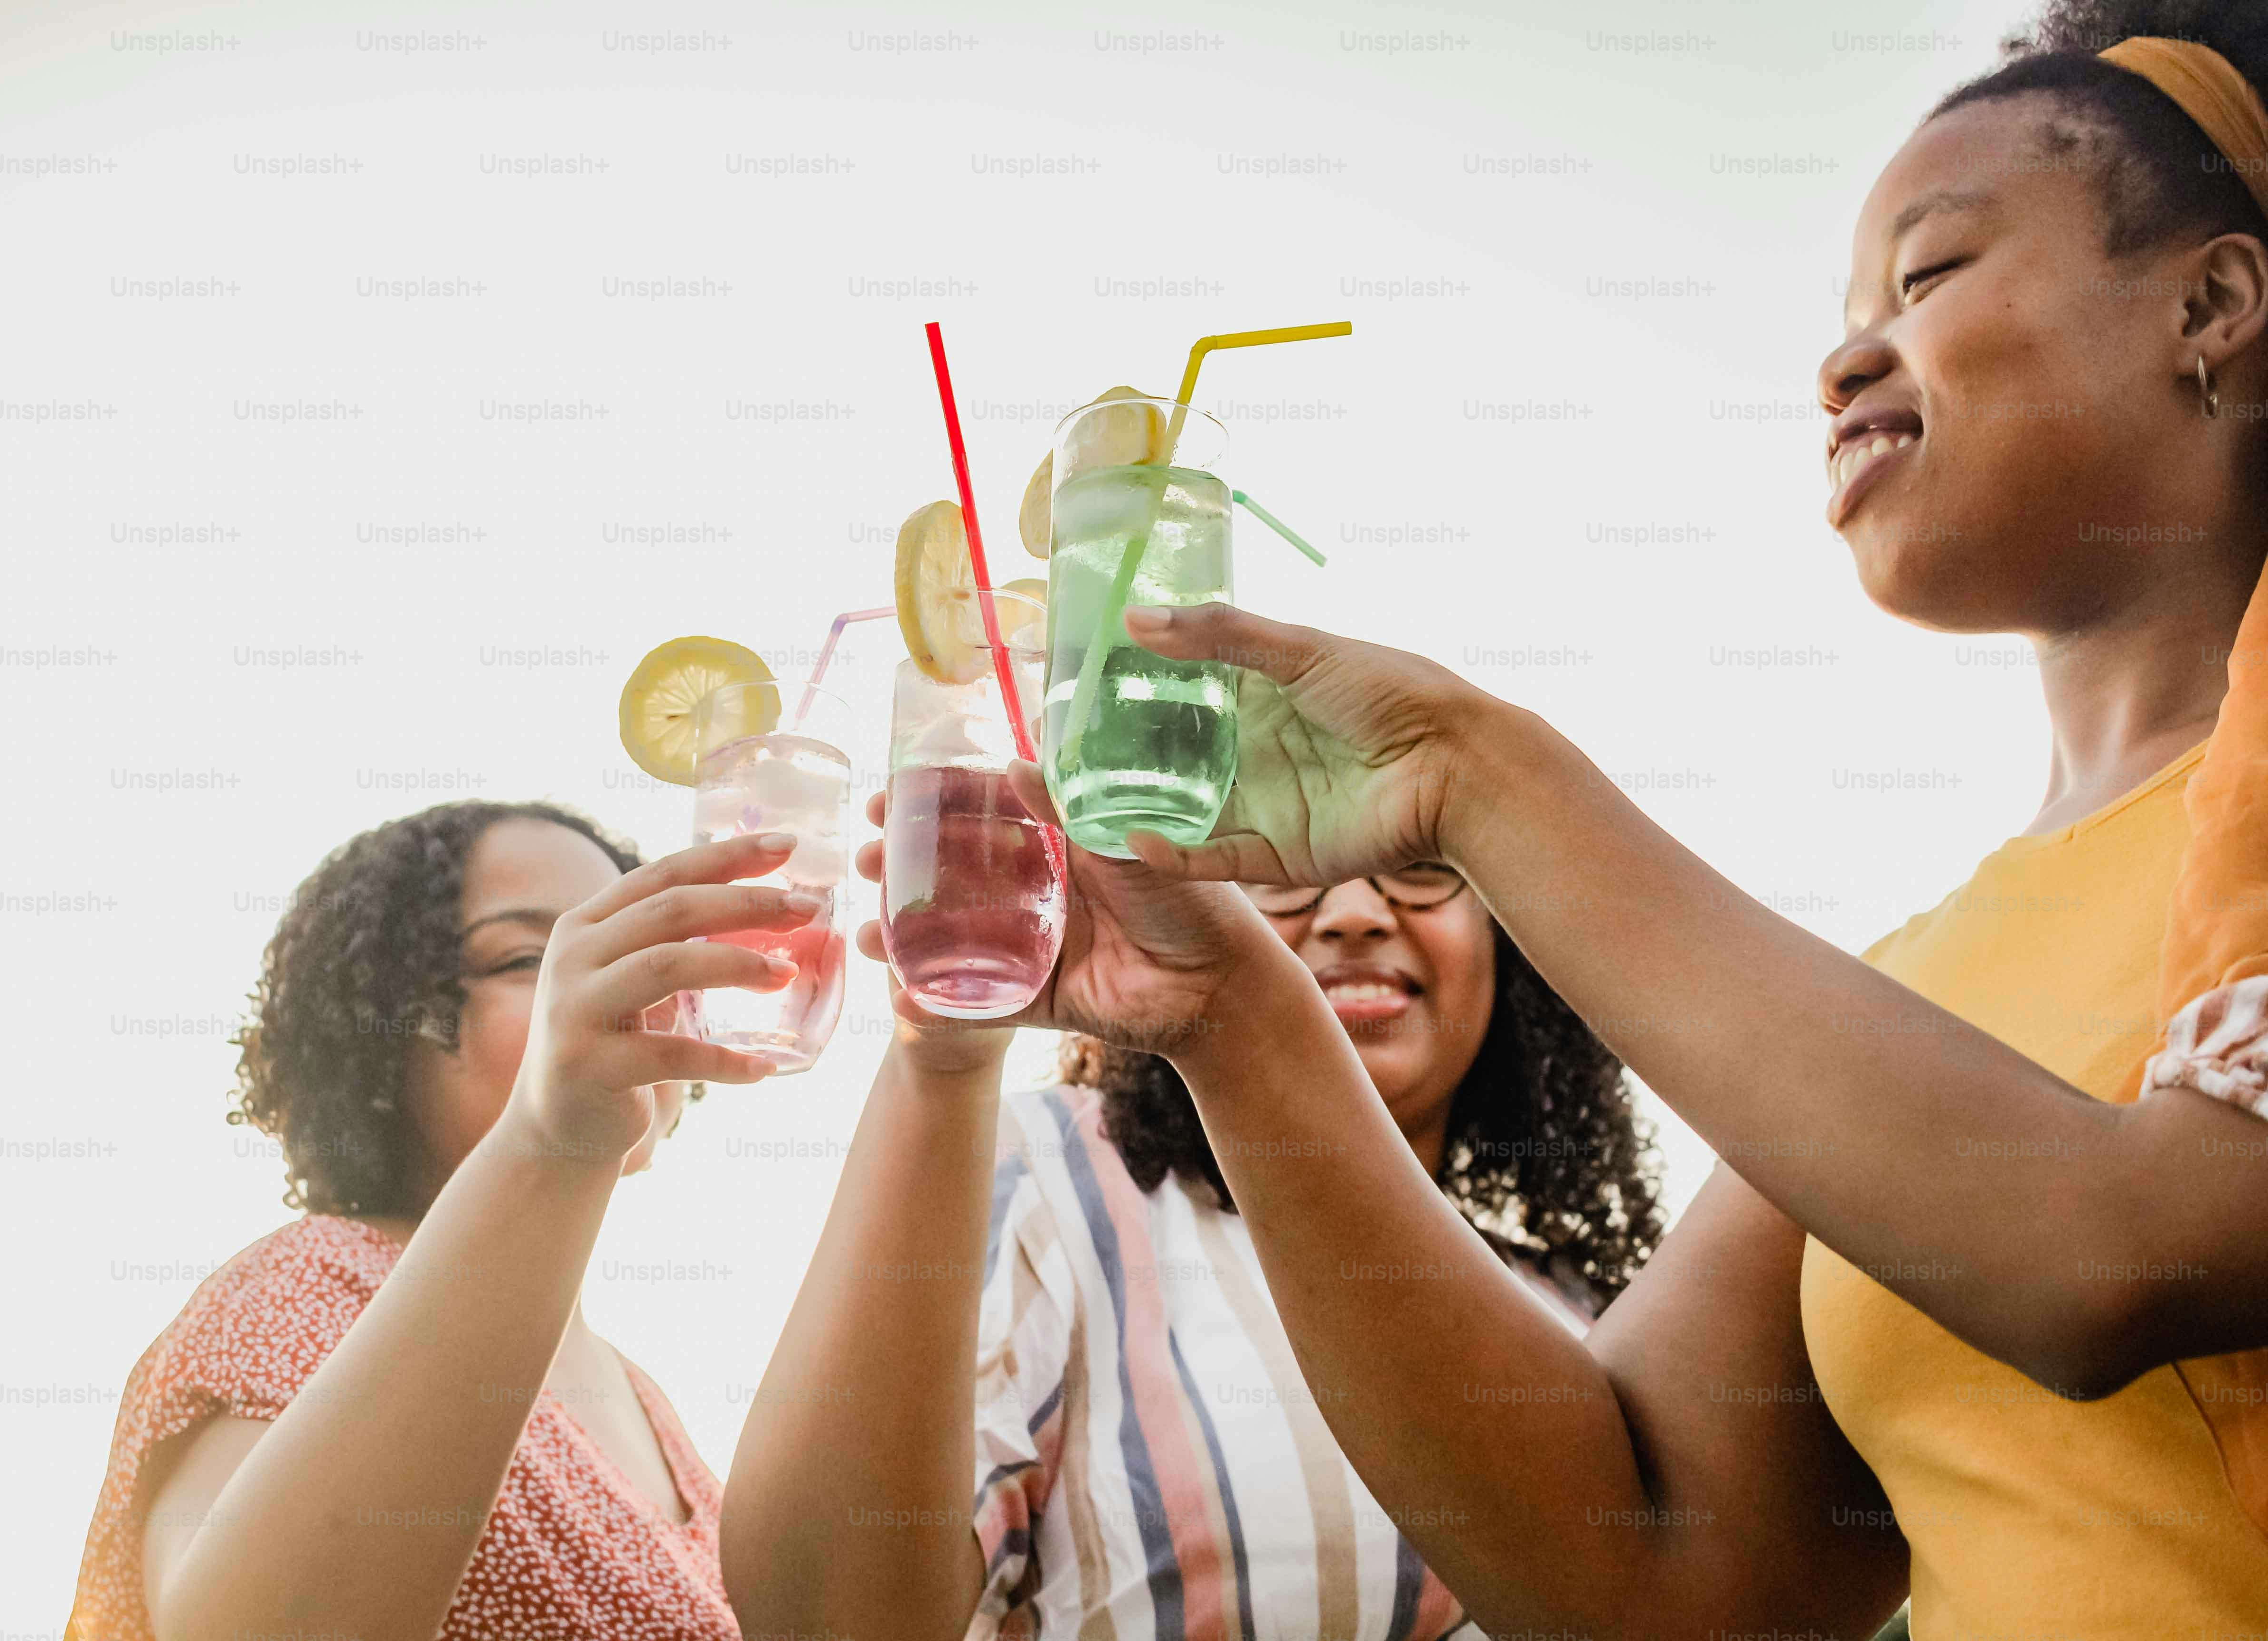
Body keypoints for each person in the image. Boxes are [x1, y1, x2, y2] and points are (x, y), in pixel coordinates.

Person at [881, 8, 2268, 1635]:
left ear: (2212, 303)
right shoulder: (1919, 981)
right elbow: (1631, 1557)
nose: (1842, 360)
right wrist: (1229, 1014)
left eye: (1931, 273)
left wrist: (1477, 771)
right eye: (1840, 314)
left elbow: (2113, 1252)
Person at [718, 798, 1664, 1637]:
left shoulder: (1578, 1310)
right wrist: (942, 1066)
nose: (1356, 912)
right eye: (1284, 875)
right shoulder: (1058, 1178)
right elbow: (829, 1617)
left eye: (1422, 869)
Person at [65, 800, 815, 1641]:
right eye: (530, 957)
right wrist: (547, 1141)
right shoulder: (311, 1284)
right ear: (383, 1032)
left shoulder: (643, 1395)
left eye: (651, 958)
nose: (620, 988)